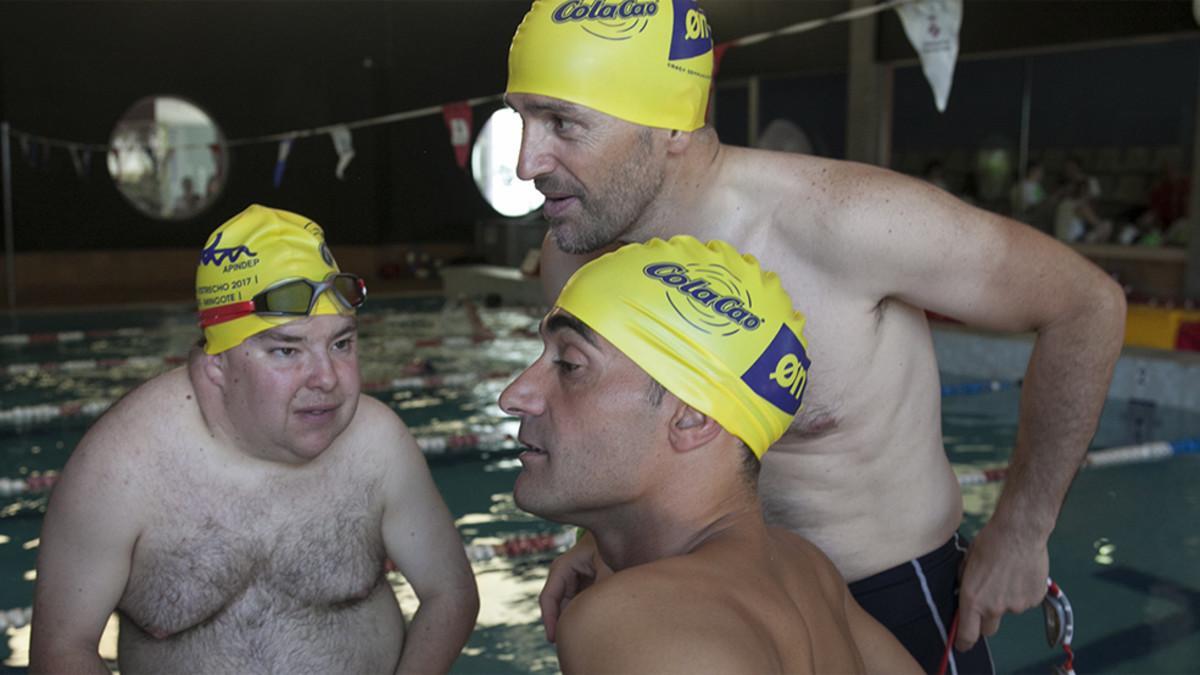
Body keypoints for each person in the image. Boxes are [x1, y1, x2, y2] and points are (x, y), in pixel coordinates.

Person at [504, 1, 1126, 672]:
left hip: (890, 597)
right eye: (522, 119)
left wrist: (1022, 531)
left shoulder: (846, 221)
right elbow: (622, 430)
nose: (524, 161)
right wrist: (593, 539)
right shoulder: (578, 253)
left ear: (672, 127)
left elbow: (1085, 304)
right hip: (703, 605)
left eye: (563, 123)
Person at [29, 205, 479, 674]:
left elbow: (449, 593)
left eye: (341, 344)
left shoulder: (377, 443)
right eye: (287, 350)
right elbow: (62, 648)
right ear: (216, 366)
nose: (326, 378)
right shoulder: (120, 467)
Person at [500, 235, 921, 674]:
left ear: (692, 419)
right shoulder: (806, 572)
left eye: (570, 365)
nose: (514, 395)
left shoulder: (636, 624)